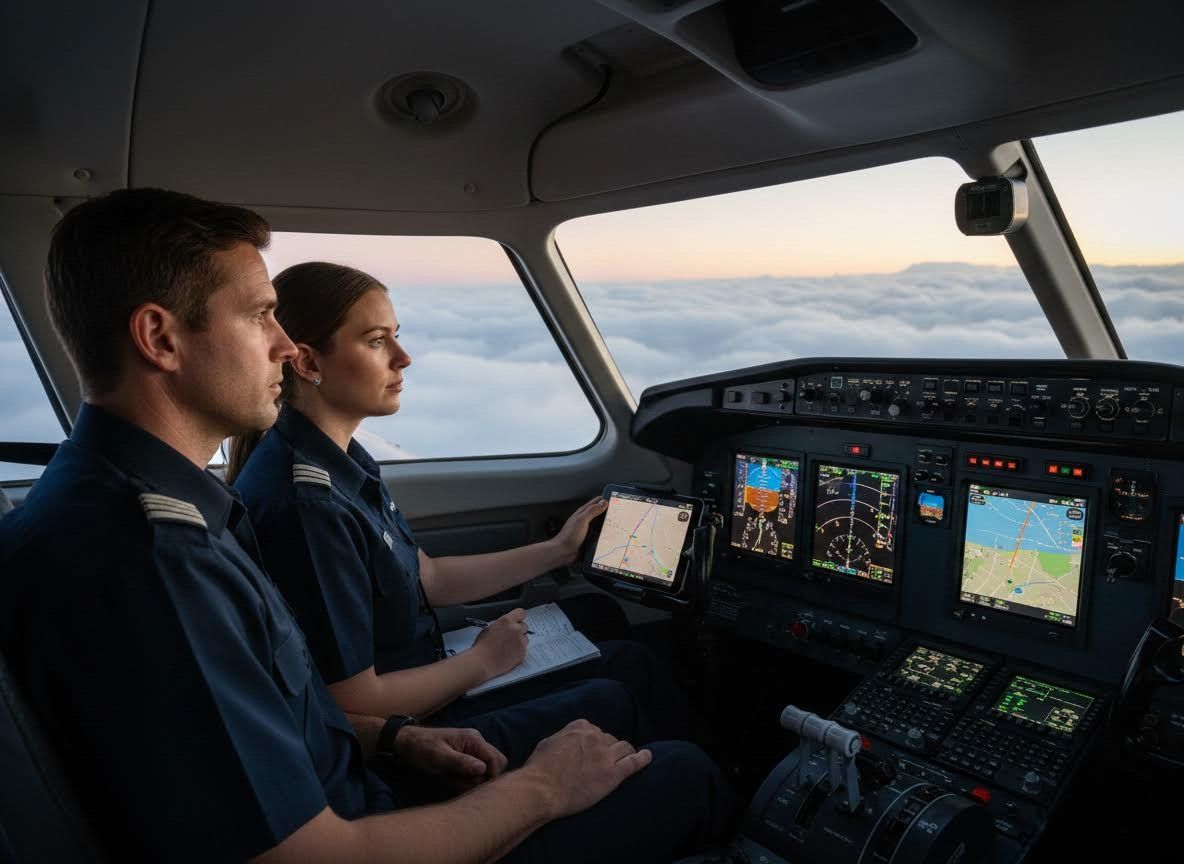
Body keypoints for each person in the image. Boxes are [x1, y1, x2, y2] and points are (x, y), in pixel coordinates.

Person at [0, 188, 732, 863]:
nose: (284, 347)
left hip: (363, 781)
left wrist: (396, 738)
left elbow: (265, 716)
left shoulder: (139, 506)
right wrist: (540, 789)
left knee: (619, 693)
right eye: (260, 316)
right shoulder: (152, 560)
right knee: (686, 773)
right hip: (357, 826)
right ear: (160, 338)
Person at [228, 262, 693, 740]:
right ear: (308, 363)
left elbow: (427, 578)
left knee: (602, 615)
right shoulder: (309, 506)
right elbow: (352, 702)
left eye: (396, 336)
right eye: (376, 340)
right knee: (626, 676)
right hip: (420, 729)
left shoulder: (340, 458)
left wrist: (558, 551)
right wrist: (482, 661)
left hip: (426, 670)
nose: (403, 357)